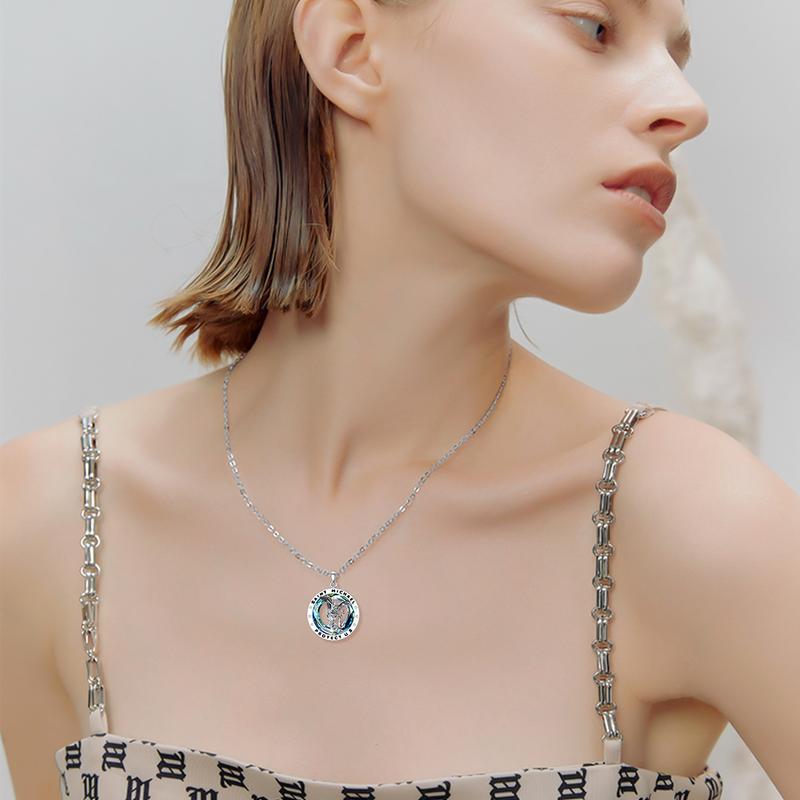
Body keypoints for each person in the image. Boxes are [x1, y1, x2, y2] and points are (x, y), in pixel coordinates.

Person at [1, 1, 798, 798]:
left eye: (677, 56)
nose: (686, 107)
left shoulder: (694, 525)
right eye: (595, 26)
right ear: (351, 49)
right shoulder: (49, 522)